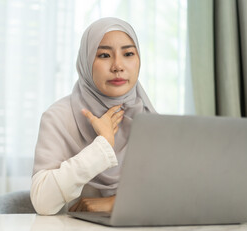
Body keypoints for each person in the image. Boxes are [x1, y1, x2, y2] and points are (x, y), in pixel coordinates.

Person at [30, 17, 156, 215]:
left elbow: (173, 190)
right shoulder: (58, 117)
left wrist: (116, 203)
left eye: (128, 53)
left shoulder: (147, 116)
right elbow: (43, 202)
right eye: (104, 55)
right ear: (86, 61)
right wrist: (102, 146)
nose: (117, 66)